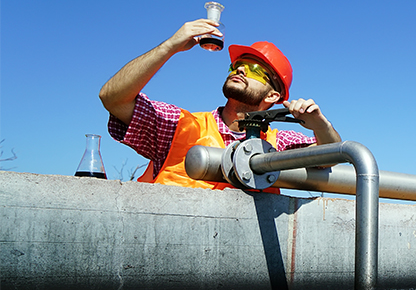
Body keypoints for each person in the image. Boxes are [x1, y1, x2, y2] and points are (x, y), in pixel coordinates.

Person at [99, 19, 340, 191]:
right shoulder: (179, 125)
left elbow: (330, 155)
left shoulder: (277, 145)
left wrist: (320, 125)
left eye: (255, 70)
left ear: (273, 96)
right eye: (236, 66)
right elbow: (112, 98)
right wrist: (169, 46)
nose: (241, 69)